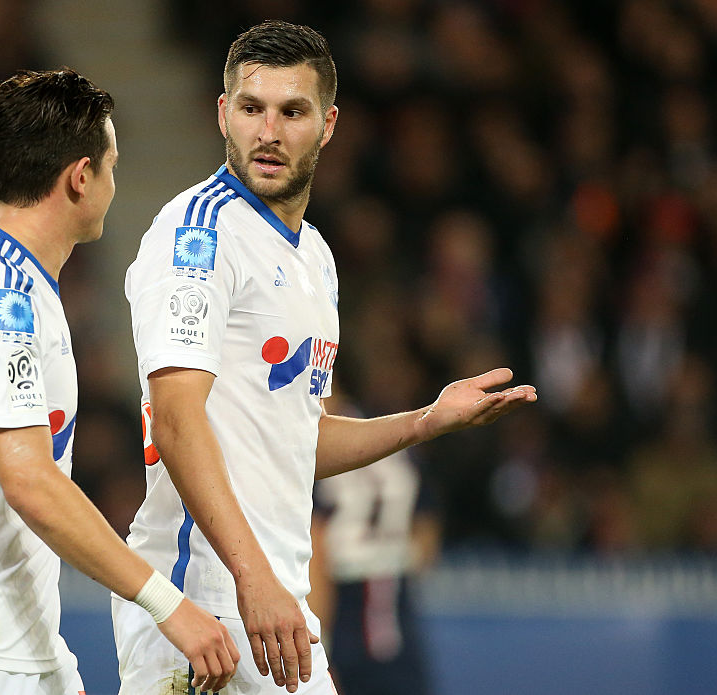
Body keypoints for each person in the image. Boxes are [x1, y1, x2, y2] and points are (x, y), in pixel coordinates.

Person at [116, 20, 536, 695]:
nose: (269, 131)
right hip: (203, 601)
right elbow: (174, 419)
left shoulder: (315, 257)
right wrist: (254, 581)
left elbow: (293, 440)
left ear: (329, 123)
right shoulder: (195, 238)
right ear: (224, 114)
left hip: (274, 599)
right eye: (252, 108)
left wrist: (425, 421)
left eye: (293, 111)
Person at [0, 68, 239, 695]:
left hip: (10, 648)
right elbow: (31, 481)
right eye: (112, 168)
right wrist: (169, 605)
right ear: (81, 176)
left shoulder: (2, 283)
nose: (115, 185)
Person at [308, 394, 441, 695]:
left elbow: (315, 543)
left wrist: (319, 643)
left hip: (341, 610)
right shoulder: (391, 431)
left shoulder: (302, 440)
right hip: (392, 606)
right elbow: (427, 532)